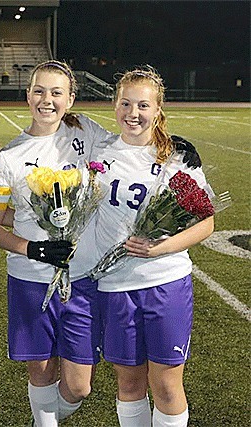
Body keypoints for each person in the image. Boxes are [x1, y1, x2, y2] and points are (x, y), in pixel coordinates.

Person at [0, 60, 114, 427]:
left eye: (56, 92)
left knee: (79, 386)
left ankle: (45, 418)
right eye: (39, 91)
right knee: (42, 372)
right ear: (28, 95)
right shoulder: (7, 158)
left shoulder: (86, 131)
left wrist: (166, 145)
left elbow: (126, 148)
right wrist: (34, 247)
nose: (47, 100)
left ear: (71, 98)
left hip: (81, 276)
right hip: (30, 278)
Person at [91, 66, 213, 427]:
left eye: (143, 105)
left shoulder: (177, 158)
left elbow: (206, 222)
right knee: (128, 384)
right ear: (114, 106)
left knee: (167, 385)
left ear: (158, 109)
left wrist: (161, 247)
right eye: (125, 103)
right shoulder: (98, 153)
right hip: (114, 286)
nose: (133, 113)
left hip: (165, 282)